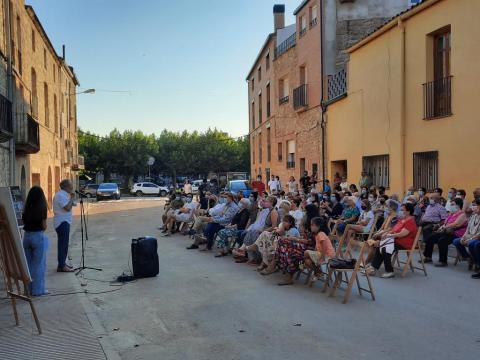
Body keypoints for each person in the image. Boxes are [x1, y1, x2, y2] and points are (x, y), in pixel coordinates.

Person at [366, 203, 418, 278]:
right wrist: (386, 233)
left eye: (402, 209)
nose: (400, 211)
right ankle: (373, 268)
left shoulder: (411, 221)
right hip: (395, 240)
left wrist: (390, 235)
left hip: (403, 243)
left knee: (385, 248)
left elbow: (402, 234)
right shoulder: (402, 219)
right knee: (380, 245)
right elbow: (394, 229)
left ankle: (389, 271)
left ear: (408, 211)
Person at [423, 198, 467, 267]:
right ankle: (428, 257)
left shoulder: (462, 214)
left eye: (453, 204)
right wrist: (441, 227)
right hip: (446, 232)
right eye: (451, 204)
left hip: (455, 234)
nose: (451, 206)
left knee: (442, 241)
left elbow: (456, 224)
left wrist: (444, 227)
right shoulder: (451, 214)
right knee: (430, 237)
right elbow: (445, 223)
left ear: (458, 205)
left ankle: (443, 261)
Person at [22, 186, 49, 296]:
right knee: (39, 265)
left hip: (26, 236)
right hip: (38, 236)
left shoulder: (26, 207)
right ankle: (38, 291)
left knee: (28, 265)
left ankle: (27, 290)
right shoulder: (42, 208)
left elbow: (24, 222)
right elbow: (44, 226)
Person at [53, 179, 76, 273]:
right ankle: (61, 266)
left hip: (65, 222)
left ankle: (62, 263)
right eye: (71, 185)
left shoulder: (64, 195)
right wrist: (72, 198)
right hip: (62, 222)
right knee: (63, 245)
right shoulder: (60, 195)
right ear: (66, 186)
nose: (72, 187)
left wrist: (71, 199)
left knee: (64, 244)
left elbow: (72, 205)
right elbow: (67, 208)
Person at [452, 199, 480, 273]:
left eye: (476, 206)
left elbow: (479, 234)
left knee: (472, 243)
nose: (474, 208)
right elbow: (467, 229)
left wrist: (469, 239)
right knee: (456, 241)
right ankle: (467, 257)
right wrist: (464, 237)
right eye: (473, 205)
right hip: (470, 236)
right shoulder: (473, 216)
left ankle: (476, 262)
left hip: (476, 237)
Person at [304, 217, 334, 283]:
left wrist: (322, 259)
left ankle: (316, 272)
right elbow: (317, 247)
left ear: (318, 226)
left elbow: (324, 247)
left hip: (327, 255)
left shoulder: (321, 234)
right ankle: (318, 272)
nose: (310, 226)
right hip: (321, 254)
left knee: (306, 252)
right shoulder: (317, 234)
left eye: (312, 225)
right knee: (307, 261)